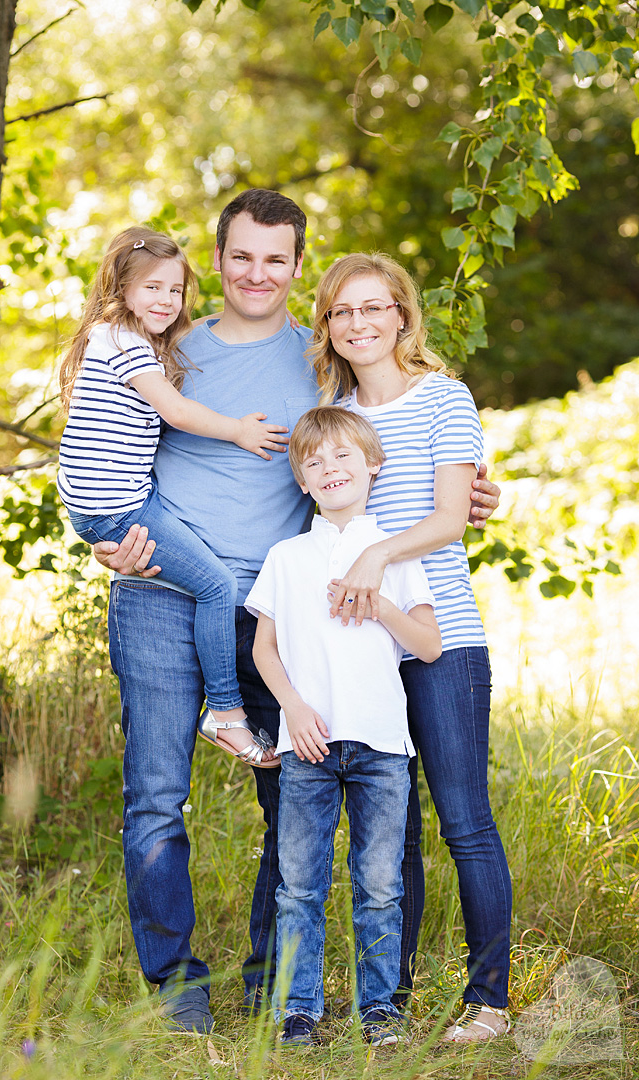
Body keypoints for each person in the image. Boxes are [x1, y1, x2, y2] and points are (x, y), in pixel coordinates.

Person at [91, 189, 501, 1034]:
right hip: (164, 595)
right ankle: (176, 991)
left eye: (275, 259)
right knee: (157, 798)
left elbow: (378, 459)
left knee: (298, 800)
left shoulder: (326, 373)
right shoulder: (170, 352)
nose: (257, 273)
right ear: (218, 259)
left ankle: (280, 987)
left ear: (297, 267)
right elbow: (107, 447)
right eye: (241, 256)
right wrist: (109, 536)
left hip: (284, 609)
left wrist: (476, 498)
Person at [309, 253, 512, 1042]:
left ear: (401, 315)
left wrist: (375, 555)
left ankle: (488, 1000)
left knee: (464, 819)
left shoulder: (443, 398)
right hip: (362, 653)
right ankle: (386, 998)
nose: (357, 324)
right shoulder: (330, 411)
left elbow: (450, 518)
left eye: (372, 308)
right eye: (340, 312)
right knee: (391, 834)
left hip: (441, 643)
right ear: (327, 326)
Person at [247, 406, 441, 1048]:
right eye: (314, 461)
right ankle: (297, 1007)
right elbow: (264, 650)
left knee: (380, 882)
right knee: (298, 883)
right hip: (308, 743)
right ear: (301, 480)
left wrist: (380, 601)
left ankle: (379, 1007)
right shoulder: (286, 555)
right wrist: (293, 709)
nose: (329, 468)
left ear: (372, 466)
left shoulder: (394, 549)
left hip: (383, 743)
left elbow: (430, 646)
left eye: (343, 457)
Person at [57, 225, 284, 766]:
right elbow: (176, 413)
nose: (166, 300)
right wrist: (237, 430)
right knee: (215, 585)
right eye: (152, 288)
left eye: (175, 290)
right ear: (121, 290)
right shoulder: (125, 341)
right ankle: (226, 714)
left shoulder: (118, 339)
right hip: (120, 509)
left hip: (121, 499)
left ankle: (227, 712)